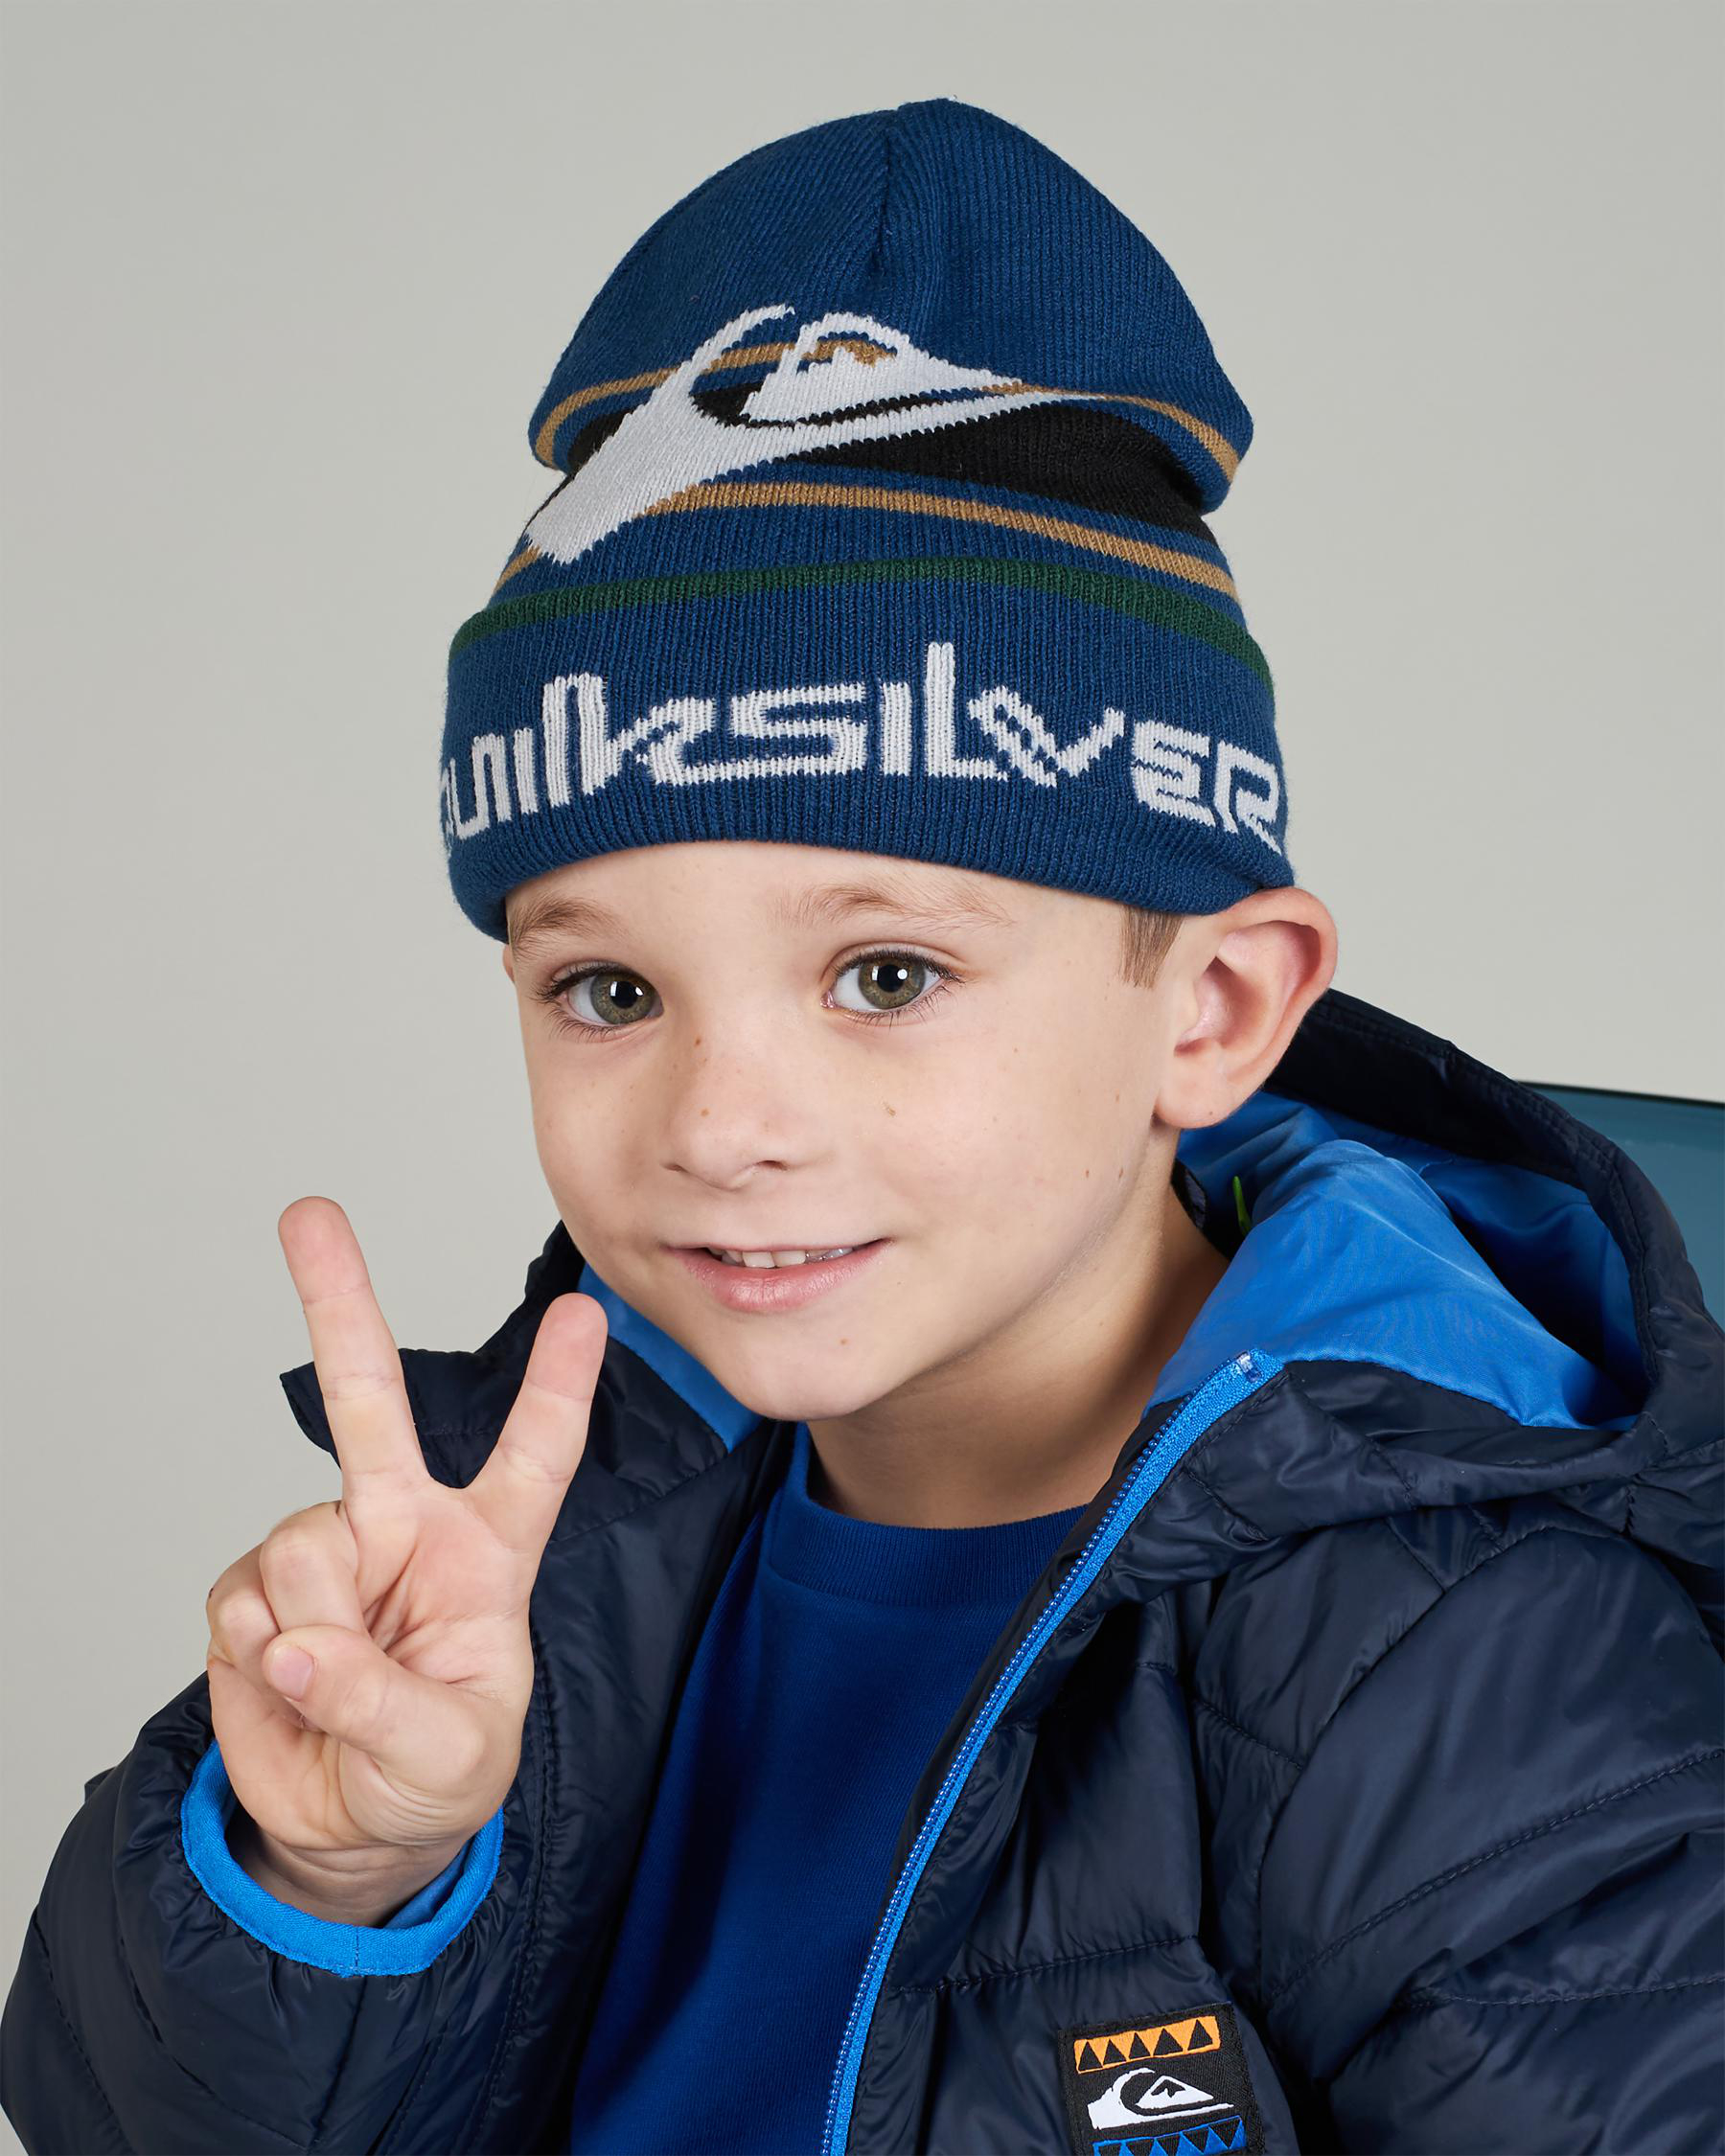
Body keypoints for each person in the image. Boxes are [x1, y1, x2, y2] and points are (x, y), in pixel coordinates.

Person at [3, 94, 1719, 2156]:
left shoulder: (1467, 1676)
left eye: (887, 975)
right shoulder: (544, 1543)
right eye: (609, 991)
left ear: (1214, 1009)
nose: (725, 1123)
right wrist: (337, 1876)